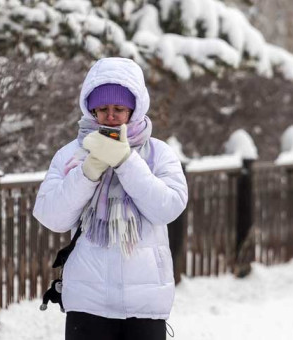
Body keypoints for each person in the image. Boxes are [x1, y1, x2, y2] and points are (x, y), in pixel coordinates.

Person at [33, 57, 188, 340]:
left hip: (145, 303)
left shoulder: (159, 154)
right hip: (88, 302)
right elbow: (51, 216)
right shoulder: (71, 155)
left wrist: (125, 161)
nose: (111, 116)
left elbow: (167, 208)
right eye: (103, 109)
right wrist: (88, 172)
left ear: (135, 109)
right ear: (91, 109)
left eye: (119, 108)